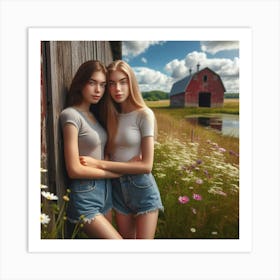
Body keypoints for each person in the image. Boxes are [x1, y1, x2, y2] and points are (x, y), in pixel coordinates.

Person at [80, 60, 164, 239]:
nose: (117, 88)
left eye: (123, 82)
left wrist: (99, 164)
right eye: (111, 83)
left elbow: (146, 166)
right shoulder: (110, 115)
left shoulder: (144, 114)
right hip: (117, 190)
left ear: (131, 83)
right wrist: (110, 164)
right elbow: (110, 153)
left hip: (141, 188)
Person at [59, 60, 122, 239]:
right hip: (85, 195)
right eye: (92, 83)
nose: (98, 90)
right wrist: (114, 173)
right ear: (81, 83)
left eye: (102, 85)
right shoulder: (70, 115)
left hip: (106, 194)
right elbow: (74, 169)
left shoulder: (94, 115)